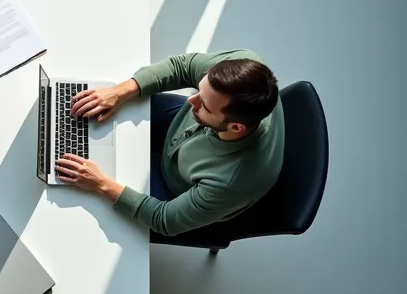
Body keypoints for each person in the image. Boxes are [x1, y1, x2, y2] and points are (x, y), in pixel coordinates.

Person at [58, 49, 283, 237]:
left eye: (204, 104)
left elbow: (164, 219)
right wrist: (119, 92)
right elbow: (182, 67)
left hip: (175, 185)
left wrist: (100, 184)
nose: (190, 100)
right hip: (179, 129)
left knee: (82, 209)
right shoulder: (241, 68)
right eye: (199, 90)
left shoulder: (230, 183)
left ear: (235, 127)